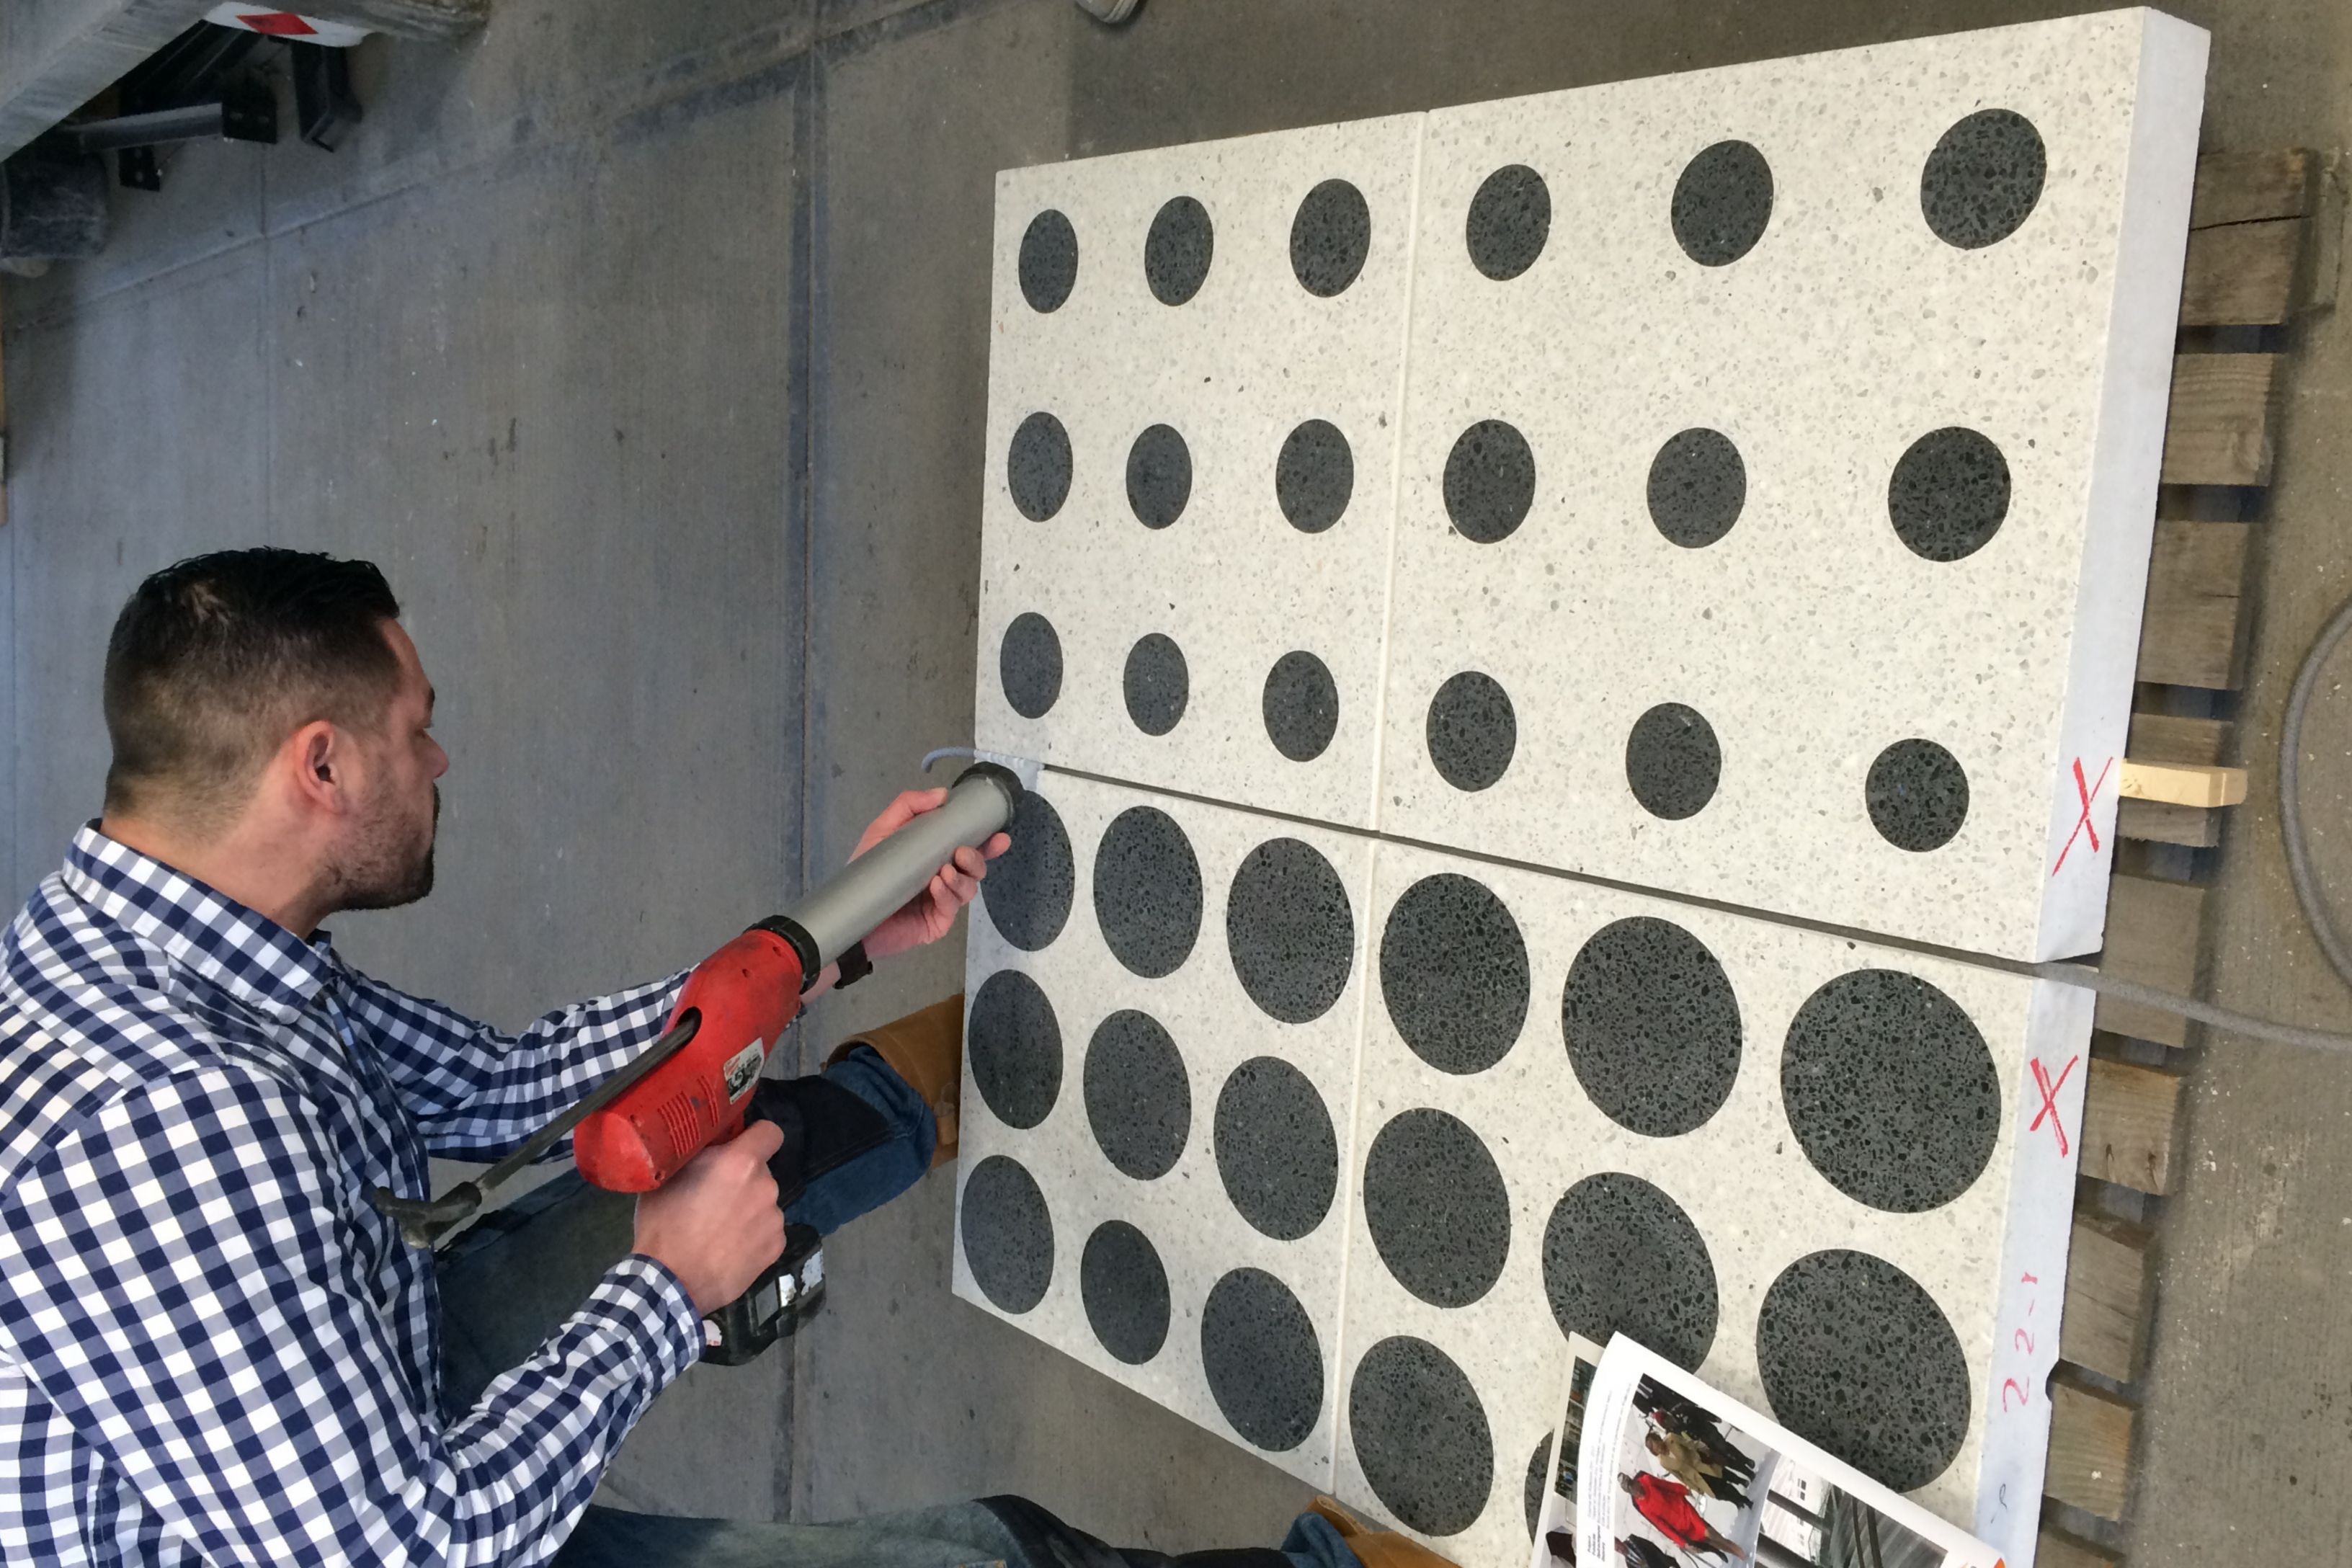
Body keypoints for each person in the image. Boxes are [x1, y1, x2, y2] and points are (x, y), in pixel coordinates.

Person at [0, 550, 1414, 1568]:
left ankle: (940, 1092)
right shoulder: (161, 1118)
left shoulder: (161, 933)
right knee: (982, 1556)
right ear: (320, 767)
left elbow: (494, 1082)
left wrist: (826, 941)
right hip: (377, 1531)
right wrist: (667, 1292)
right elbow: (412, 1543)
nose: (441, 759)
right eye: (415, 730)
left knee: (731, 1133)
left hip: (344, 1353)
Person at [1618, 1473, 1747, 1564]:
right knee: (1711, 1543)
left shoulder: (1647, 1481)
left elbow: (1667, 1485)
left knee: (1710, 1533)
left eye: (1634, 1487)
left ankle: (1738, 1551)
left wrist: (1684, 1490)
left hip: (1684, 1510)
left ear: (1635, 1482)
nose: (1637, 1492)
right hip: (1680, 1527)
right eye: (1633, 1492)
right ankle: (1735, 1552)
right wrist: (1682, 1543)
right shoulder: (1643, 1508)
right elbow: (1663, 1527)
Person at [1643, 1430, 1752, 1513]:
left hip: (1701, 1464)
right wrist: (1694, 1487)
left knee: (1723, 1483)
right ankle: (1736, 1500)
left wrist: (1703, 1448)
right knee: (1718, 1495)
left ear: (1659, 1440)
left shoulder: (1672, 1438)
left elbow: (1690, 1444)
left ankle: (1743, 1499)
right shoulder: (1663, 1462)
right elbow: (1679, 1476)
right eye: (1656, 1450)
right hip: (1696, 1477)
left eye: (1658, 1445)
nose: (1659, 1450)